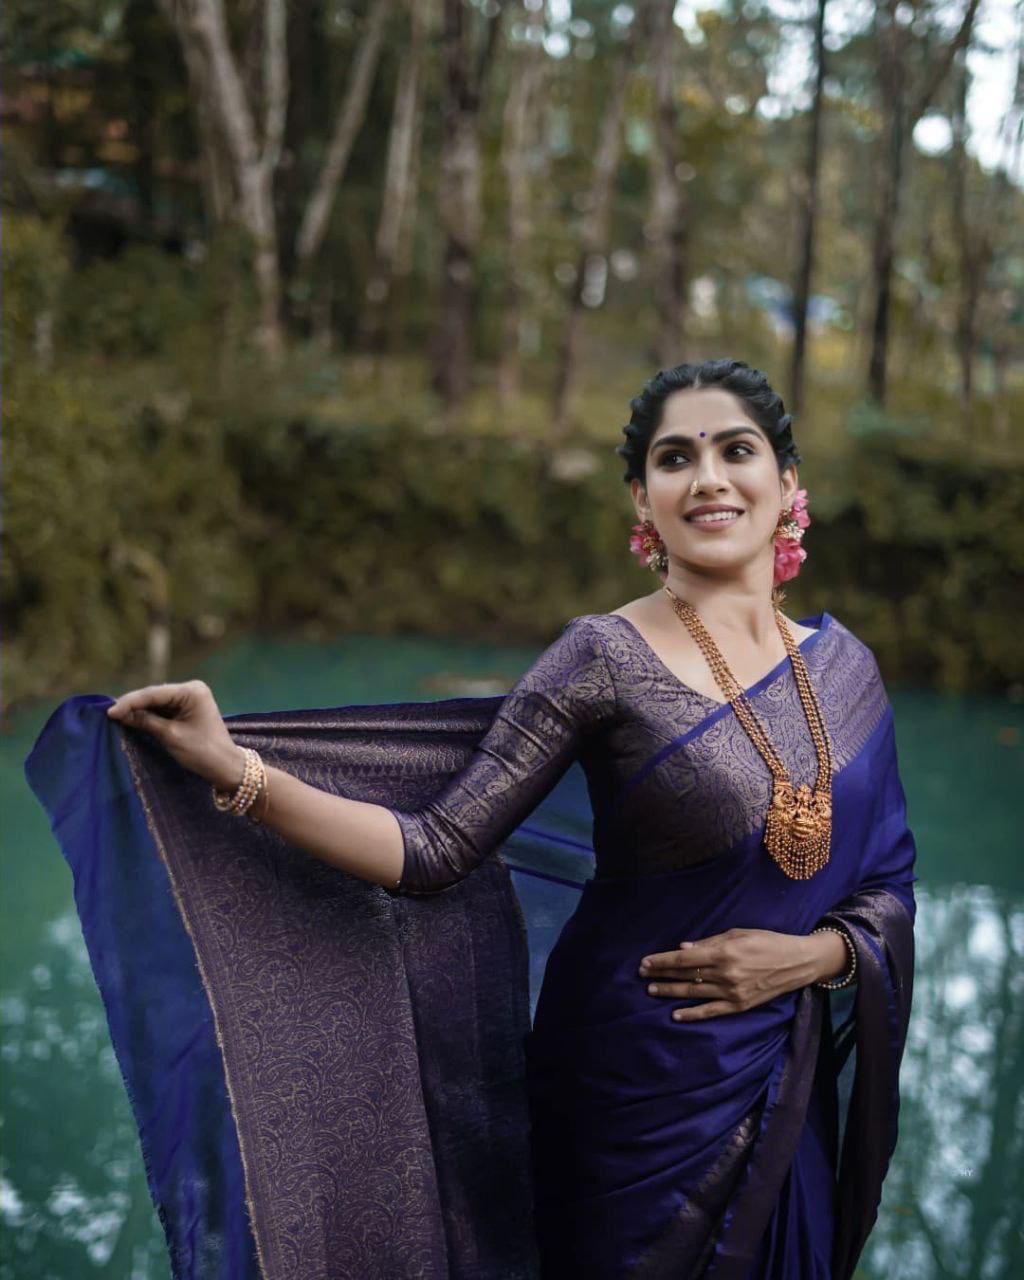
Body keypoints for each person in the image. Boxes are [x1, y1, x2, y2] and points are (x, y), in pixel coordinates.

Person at [34, 358, 915, 1280]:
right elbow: (433, 850)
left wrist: (814, 958)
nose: (707, 478)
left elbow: (888, 883)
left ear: (787, 484)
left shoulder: (847, 673)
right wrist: (235, 771)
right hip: (632, 1092)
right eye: (673, 458)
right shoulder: (600, 658)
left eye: (736, 450)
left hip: (785, 1076)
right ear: (641, 499)